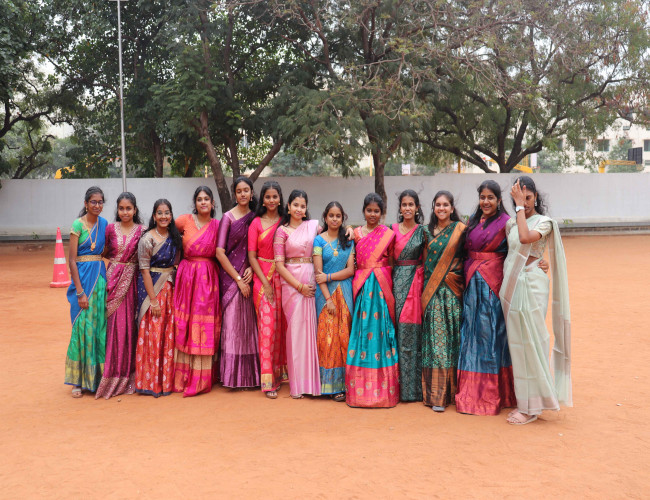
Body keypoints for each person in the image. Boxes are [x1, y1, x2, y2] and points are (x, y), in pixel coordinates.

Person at [500, 177, 571, 425]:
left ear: (535, 197)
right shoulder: (510, 223)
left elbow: (525, 238)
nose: (525, 203)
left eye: (528, 198)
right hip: (512, 285)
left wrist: (519, 207)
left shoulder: (545, 222)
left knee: (533, 342)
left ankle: (533, 407)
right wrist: (518, 210)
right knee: (518, 345)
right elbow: (510, 254)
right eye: (520, 198)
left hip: (533, 285)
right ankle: (526, 402)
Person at [455, 180, 517, 415]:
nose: (486, 201)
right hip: (471, 283)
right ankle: (471, 392)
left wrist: (538, 262)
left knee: (491, 334)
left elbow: (518, 249)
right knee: (471, 334)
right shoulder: (472, 221)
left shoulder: (507, 223)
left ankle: (494, 394)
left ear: (499, 200)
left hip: (493, 284)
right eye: (483, 197)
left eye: (491, 197)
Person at [345, 193, 399, 408]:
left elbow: (392, 261)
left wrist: (382, 276)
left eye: (377, 211)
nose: (373, 214)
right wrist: (348, 228)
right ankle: (359, 390)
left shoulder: (388, 234)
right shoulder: (356, 233)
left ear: (382, 213)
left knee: (382, 330)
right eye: (369, 210)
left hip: (381, 287)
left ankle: (384, 391)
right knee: (362, 329)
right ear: (364, 211)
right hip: (362, 286)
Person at [95, 192, 144, 399]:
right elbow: (103, 251)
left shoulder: (142, 231)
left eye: (128, 208)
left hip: (132, 283)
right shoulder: (109, 229)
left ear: (135, 210)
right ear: (117, 210)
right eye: (121, 208)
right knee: (111, 326)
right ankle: (109, 373)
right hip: (111, 281)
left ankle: (126, 376)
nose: (125, 212)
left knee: (127, 327)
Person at [173, 186, 220, 397]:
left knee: (203, 325)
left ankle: (202, 378)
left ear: (212, 203)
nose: (203, 202)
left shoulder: (218, 225)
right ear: (195, 203)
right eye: (199, 199)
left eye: (206, 199)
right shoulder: (184, 221)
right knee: (186, 323)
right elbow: (166, 231)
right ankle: (183, 377)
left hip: (208, 279)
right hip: (187, 278)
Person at [273, 189, 321, 398]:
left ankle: (311, 383)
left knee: (311, 330)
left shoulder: (313, 227)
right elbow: (279, 265)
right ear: (288, 206)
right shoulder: (281, 232)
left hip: (311, 280)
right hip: (291, 285)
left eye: (303, 206)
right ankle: (297, 385)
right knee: (295, 333)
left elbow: (331, 233)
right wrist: (299, 286)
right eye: (296, 205)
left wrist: (348, 229)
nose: (299, 209)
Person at [421, 191, 465, 411]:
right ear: (433, 207)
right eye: (438, 204)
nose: (441, 208)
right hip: (432, 293)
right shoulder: (426, 232)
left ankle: (453, 393)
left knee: (453, 341)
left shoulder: (461, 230)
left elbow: (472, 255)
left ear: (452, 208)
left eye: (445, 205)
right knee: (436, 343)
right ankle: (437, 396)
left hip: (453, 293)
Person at [216, 177, 260, 389]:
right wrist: (238, 279)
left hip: (252, 276)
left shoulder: (256, 217)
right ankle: (232, 377)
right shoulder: (228, 217)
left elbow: (259, 247)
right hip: (231, 278)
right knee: (233, 325)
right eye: (239, 191)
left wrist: (251, 267)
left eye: (246, 190)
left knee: (249, 326)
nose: (243, 194)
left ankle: (251, 377)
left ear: (251, 193)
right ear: (235, 194)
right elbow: (219, 252)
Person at [135, 199, 182, 397]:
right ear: (154, 216)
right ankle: (150, 381)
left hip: (170, 290)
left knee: (168, 335)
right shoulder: (147, 238)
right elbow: (144, 270)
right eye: (160, 213)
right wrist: (153, 300)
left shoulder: (174, 237)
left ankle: (166, 382)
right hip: (152, 291)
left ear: (171, 215)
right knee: (153, 334)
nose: (164, 216)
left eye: (167, 212)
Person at [65, 186, 108, 398]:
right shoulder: (77, 225)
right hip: (83, 281)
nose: (97, 205)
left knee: (99, 327)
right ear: (86, 203)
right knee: (82, 328)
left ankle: (98, 378)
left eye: (100, 202)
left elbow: (106, 251)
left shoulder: (104, 224)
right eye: (93, 202)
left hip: (99, 279)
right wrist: (80, 292)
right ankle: (78, 381)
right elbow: (72, 260)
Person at [248, 181, 288, 399]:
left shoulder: (286, 221)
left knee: (282, 328)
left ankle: (280, 374)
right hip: (263, 280)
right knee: (267, 330)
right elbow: (252, 256)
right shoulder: (255, 223)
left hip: (285, 279)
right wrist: (264, 283)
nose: (272, 200)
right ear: (262, 200)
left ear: (280, 198)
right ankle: (268, 380)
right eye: (268, 197)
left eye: (275, 196)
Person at [313, 202, 355, 401]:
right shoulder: (318, 241)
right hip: (325, 297)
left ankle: (343, 386)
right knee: (327, 337)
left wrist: (329, 277)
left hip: (345, 292)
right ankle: (327, 385)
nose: (335, 219)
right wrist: (328, 299)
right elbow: (318, 274)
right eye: (331, 215)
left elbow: (350, 270)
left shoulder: (347, 239)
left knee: (344, 337)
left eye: (338, 216)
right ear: (325, 217)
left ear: (342, 217)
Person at [391, 189, 426, 402]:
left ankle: (414, 389)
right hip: (396, 284)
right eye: (404, 204)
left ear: (417, 207)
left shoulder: (423, 231)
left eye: (411, 204)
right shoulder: (392, 230)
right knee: (398, 332)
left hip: (416, 283)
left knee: (414, 334)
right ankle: (398, 388)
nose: (407, 208)